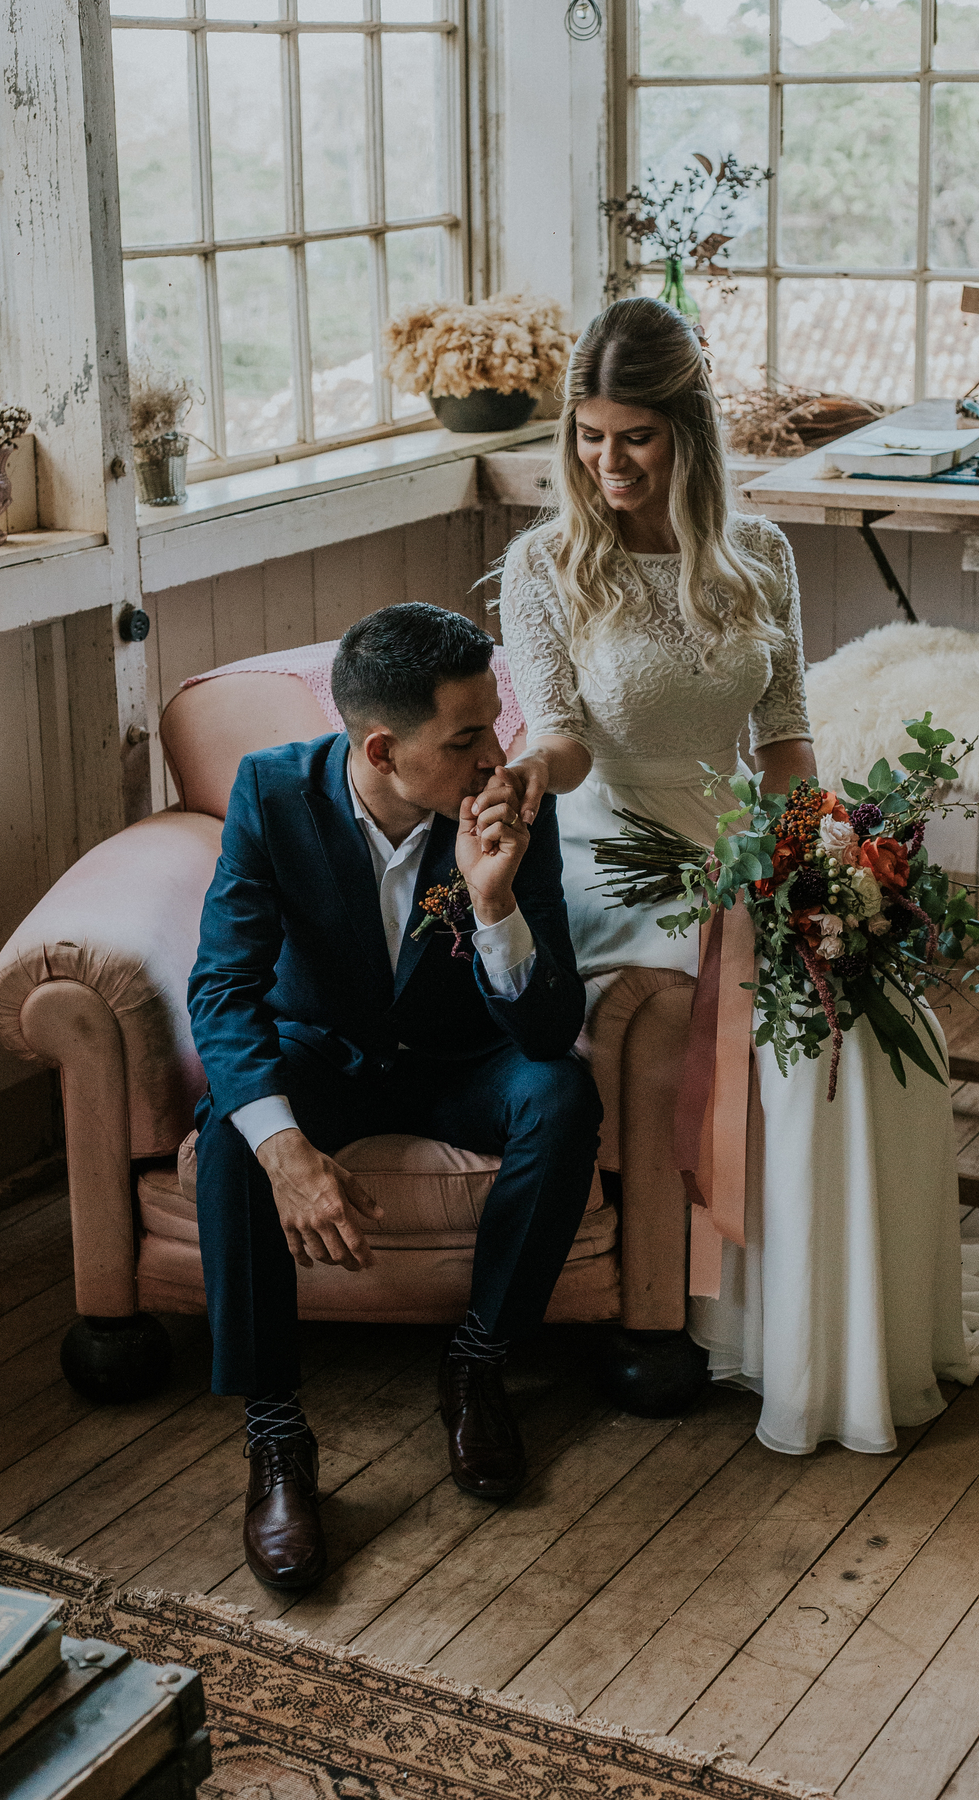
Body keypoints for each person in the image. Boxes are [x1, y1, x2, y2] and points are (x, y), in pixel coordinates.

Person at [488, 295, 979, 1458]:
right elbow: (562, 734)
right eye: (590, 437)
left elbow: (787, 733)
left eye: (636, 437)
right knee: (784, 1041)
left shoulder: (760, 553)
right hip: (623, 853)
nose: (609, 464)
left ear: (688, 433)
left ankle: (853, 1324)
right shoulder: (546, 564)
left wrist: (825, 860)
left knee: (884, 1012)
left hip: (749, 838)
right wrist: (522, 773)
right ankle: (755, 1334)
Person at [188, 602, 601, 1593]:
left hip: (461, 1065)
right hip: (323, 1059)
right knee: (234, 1134)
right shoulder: (271, 794)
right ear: (381, 746)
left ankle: (479, 1361)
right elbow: (224, 987)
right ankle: (277, 1434)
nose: (496, 758)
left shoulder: (507, 807)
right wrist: (287, 1151)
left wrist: (494, 901)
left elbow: (546, 1030)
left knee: (562, 1095)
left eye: (494, 726)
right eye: (467, 739)